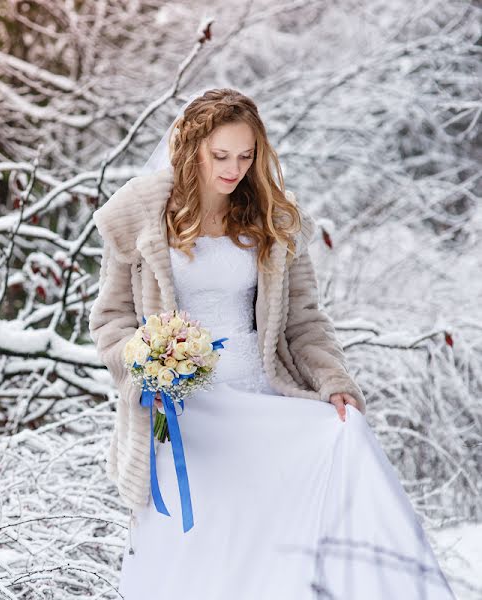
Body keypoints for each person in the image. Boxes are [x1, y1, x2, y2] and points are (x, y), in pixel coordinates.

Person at [88, 88, 457, 598]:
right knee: (194, 549)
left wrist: (333, 382)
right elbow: (110, 320)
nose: (233, 168)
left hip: (262, 399)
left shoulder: (273, 219)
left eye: (245, 156)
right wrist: (144, 361)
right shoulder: (138, 217)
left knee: (262, 547)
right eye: (220, 155)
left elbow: (304, 319)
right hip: (182, 414)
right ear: (190, 149)